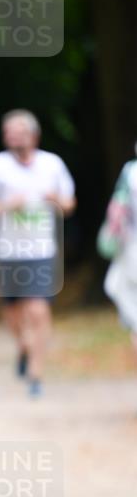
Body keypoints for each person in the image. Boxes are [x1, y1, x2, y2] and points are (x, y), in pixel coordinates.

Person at [0, 110, 76, 397]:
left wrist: (57, 201)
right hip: (8, 251)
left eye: (18, 131)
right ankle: (24, 346)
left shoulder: (52, 164)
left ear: (34, 135)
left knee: (38, 309)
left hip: (42, 249)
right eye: (8, 132)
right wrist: (5, 206)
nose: (12, 137)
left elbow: (69, 203)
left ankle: (35, 376)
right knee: (13, 312)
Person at [97, 150, 137, 361]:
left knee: (116, 285)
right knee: (116, 285)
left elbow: (118, 208)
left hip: (132, 247)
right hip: (131, 244)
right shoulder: (131, 171)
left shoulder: (131, 172)